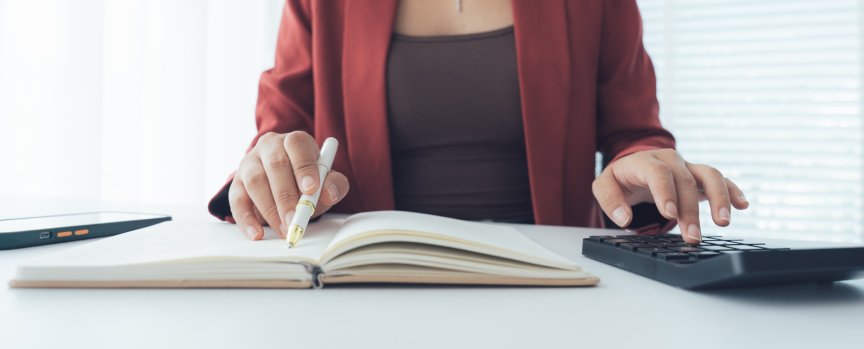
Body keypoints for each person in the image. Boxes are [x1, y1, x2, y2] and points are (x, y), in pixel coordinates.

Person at [207, 0, 749, 244]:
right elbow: (278, 135)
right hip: (373, 280)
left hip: (550, 281)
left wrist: (642, 165)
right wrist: (269, 168)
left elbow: (635, 131)